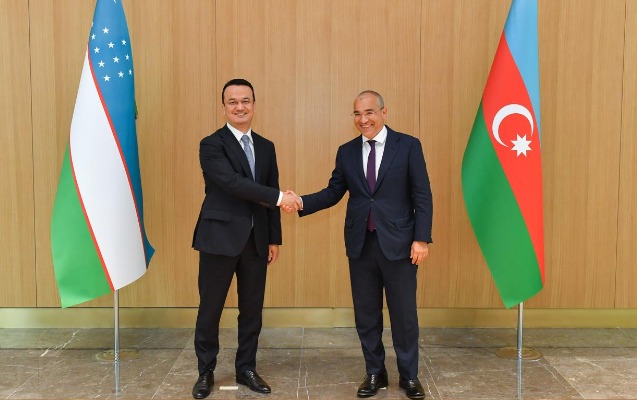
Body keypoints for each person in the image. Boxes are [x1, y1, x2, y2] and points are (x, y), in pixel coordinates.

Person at [294, 91, 433, 399]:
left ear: (384, 112)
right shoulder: (346, 152)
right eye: (357, 114)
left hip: (399, 244)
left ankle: (409, 376)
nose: (363, 119)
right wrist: (301, 201)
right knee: (366, 314)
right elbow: (333, 192)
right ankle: (375, 372)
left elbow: (422, 195)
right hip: (361, 245)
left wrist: (421, 238)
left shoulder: (408, 146)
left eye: (369, 112)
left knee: (403, 315)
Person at [191, 78, 301, 399]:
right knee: (210, 309)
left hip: (257, 241)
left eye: (245, 101)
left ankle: (246, 368)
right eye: (233, 102)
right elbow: (232, 183)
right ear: (224, 107)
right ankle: (205, 371)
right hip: (219, 239)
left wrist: (274, 238)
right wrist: (280, 197)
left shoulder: (266, 146)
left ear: (254, 104)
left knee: (252, 309)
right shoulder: (211, 145)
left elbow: (270, 190)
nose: (240, 107)